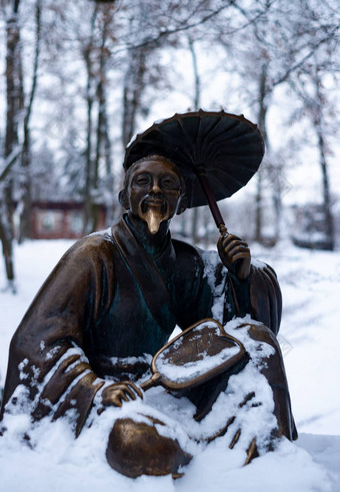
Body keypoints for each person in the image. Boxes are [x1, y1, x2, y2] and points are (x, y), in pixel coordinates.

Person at [0, 154, 296, 478]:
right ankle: (201, 458)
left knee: (258, 343)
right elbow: (36, 341)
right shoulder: (93, 256)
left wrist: (240, 277)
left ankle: (268, 461)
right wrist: (93, 388)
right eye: (143, 181)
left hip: (162, 385)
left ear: (181, 203)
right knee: (137, 441)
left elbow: (217, 332)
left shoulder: (184, 263)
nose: (155, 190)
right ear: (125, 197)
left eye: (168, 184)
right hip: (107, 398)